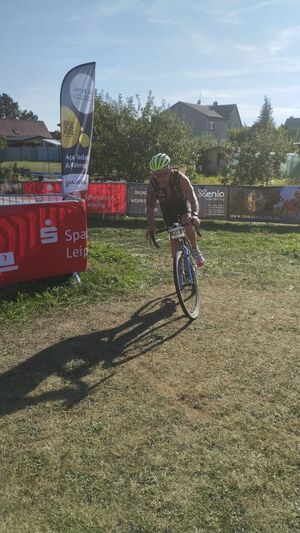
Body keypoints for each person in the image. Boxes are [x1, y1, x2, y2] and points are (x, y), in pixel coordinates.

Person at [145, 152, 205, 267]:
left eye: (163, 174)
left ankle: (194, 249)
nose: (160, 178)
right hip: (167, 209)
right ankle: (178, 269)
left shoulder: (180, 178)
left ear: (170, 169)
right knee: (174, 238)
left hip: (182, 204)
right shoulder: (153, 183)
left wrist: (195, 214)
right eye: (157, 175)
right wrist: (151, 226)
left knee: (187, 222)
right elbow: (150, 207)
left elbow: (192, 198)